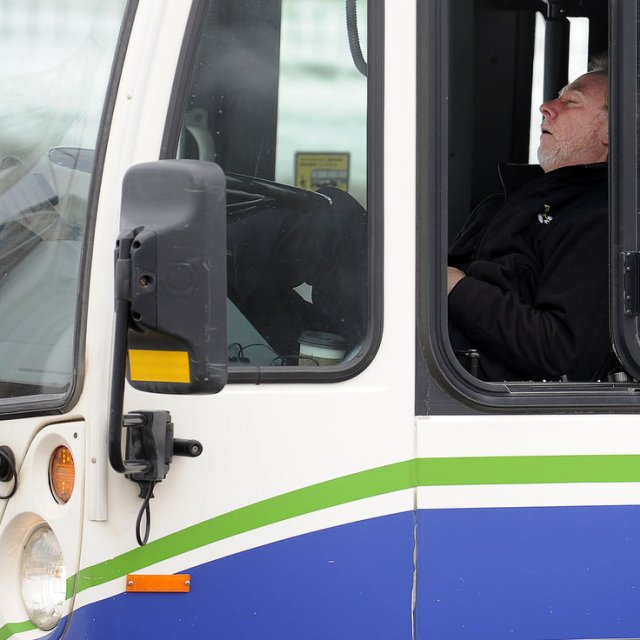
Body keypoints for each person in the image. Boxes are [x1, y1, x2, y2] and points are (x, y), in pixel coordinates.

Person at [447, 61, 612, 382]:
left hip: (474, 394)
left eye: (571, 101)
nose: (546, 107)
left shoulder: (600, 220)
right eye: (556, 97)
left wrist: (455, 287)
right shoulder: (503, 203)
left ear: (611, 131)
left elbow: (562, 354)